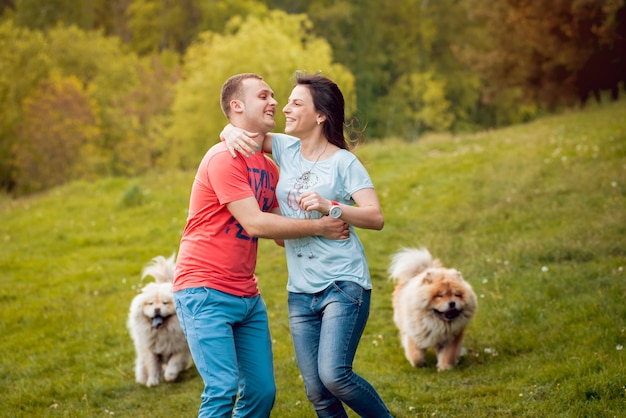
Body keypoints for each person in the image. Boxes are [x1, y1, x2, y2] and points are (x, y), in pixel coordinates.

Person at [173, 73, 350, 418]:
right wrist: (319, 227)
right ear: (236, 107)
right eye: (263, 96)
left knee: (261, 393)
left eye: (274, 96)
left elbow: (280, 233)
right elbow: (254, 223)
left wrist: (321, 214)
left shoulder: (268, 167)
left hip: (246, 297)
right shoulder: (221, 158)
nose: (274, 102)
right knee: (222, 389)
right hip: (203, 291)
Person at [223, 73, 393, 418]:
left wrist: (330, 206)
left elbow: (375, 217)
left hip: (343, 284)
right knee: (316, 390)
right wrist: (227, 131)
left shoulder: (344, 163)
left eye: (296, 103)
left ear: (320, 115)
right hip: (300, 290)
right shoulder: (285, 148)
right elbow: (242, 130)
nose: (284, 108)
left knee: (335, 376)